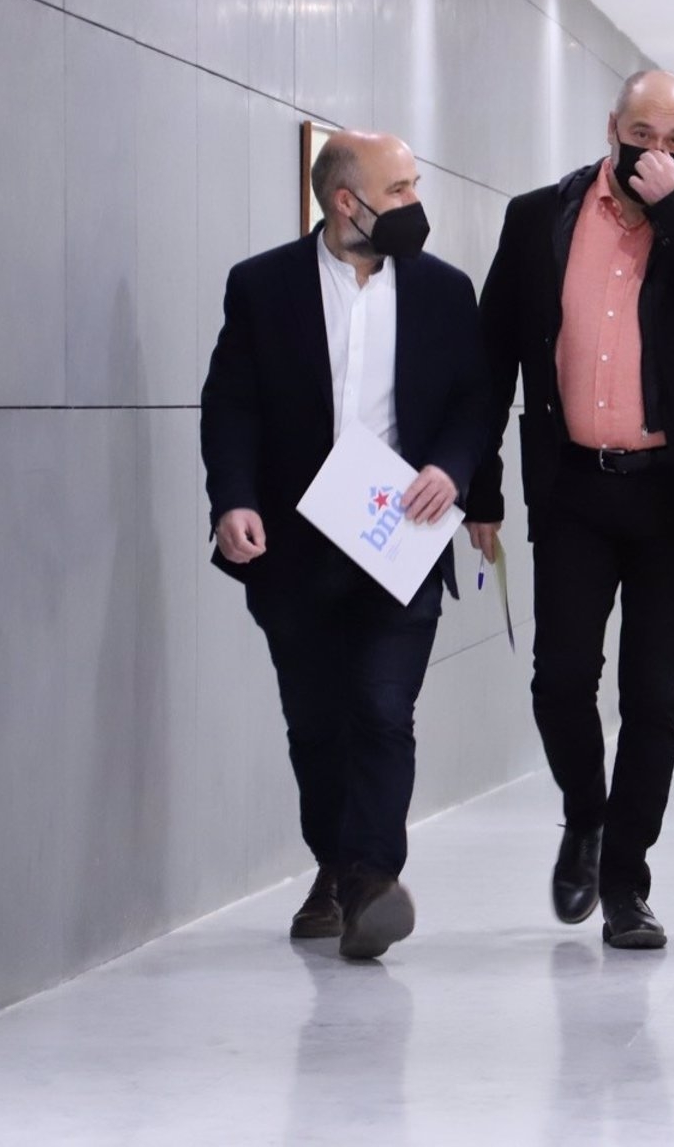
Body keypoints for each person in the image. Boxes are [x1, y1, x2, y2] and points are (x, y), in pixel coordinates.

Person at [464, 70, 674, 950]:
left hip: (673, 493)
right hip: (572, 487)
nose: (658, 152)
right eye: (643, 134)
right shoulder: (539, 217)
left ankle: (627, 882)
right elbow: (492, 359)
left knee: (651, 694)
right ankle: (585, 818)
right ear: (611, 127)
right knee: (560, 677)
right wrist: (480, 486)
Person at [200, 130, 490, 961]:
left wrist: (452, 466)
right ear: (344, 202)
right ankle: (335, 863)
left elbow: (474, 400)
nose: (414, 203)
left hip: (401, 536)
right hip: (293, 544)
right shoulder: (261, 286)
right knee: (316, 720)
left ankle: (370, 880)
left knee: (382, 708)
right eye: (398, 190)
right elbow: (232, 405)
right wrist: (233, 500)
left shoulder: (443, 290)